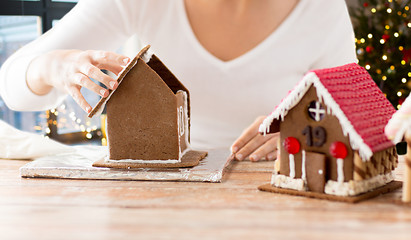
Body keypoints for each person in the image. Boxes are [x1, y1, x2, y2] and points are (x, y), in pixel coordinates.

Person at [0, 0, 357, 162]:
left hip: (274, 197)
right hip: (159, 193)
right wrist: (55, 66)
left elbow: (355, 121)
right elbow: (13, 89)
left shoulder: (321, 9)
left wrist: (308, 132)